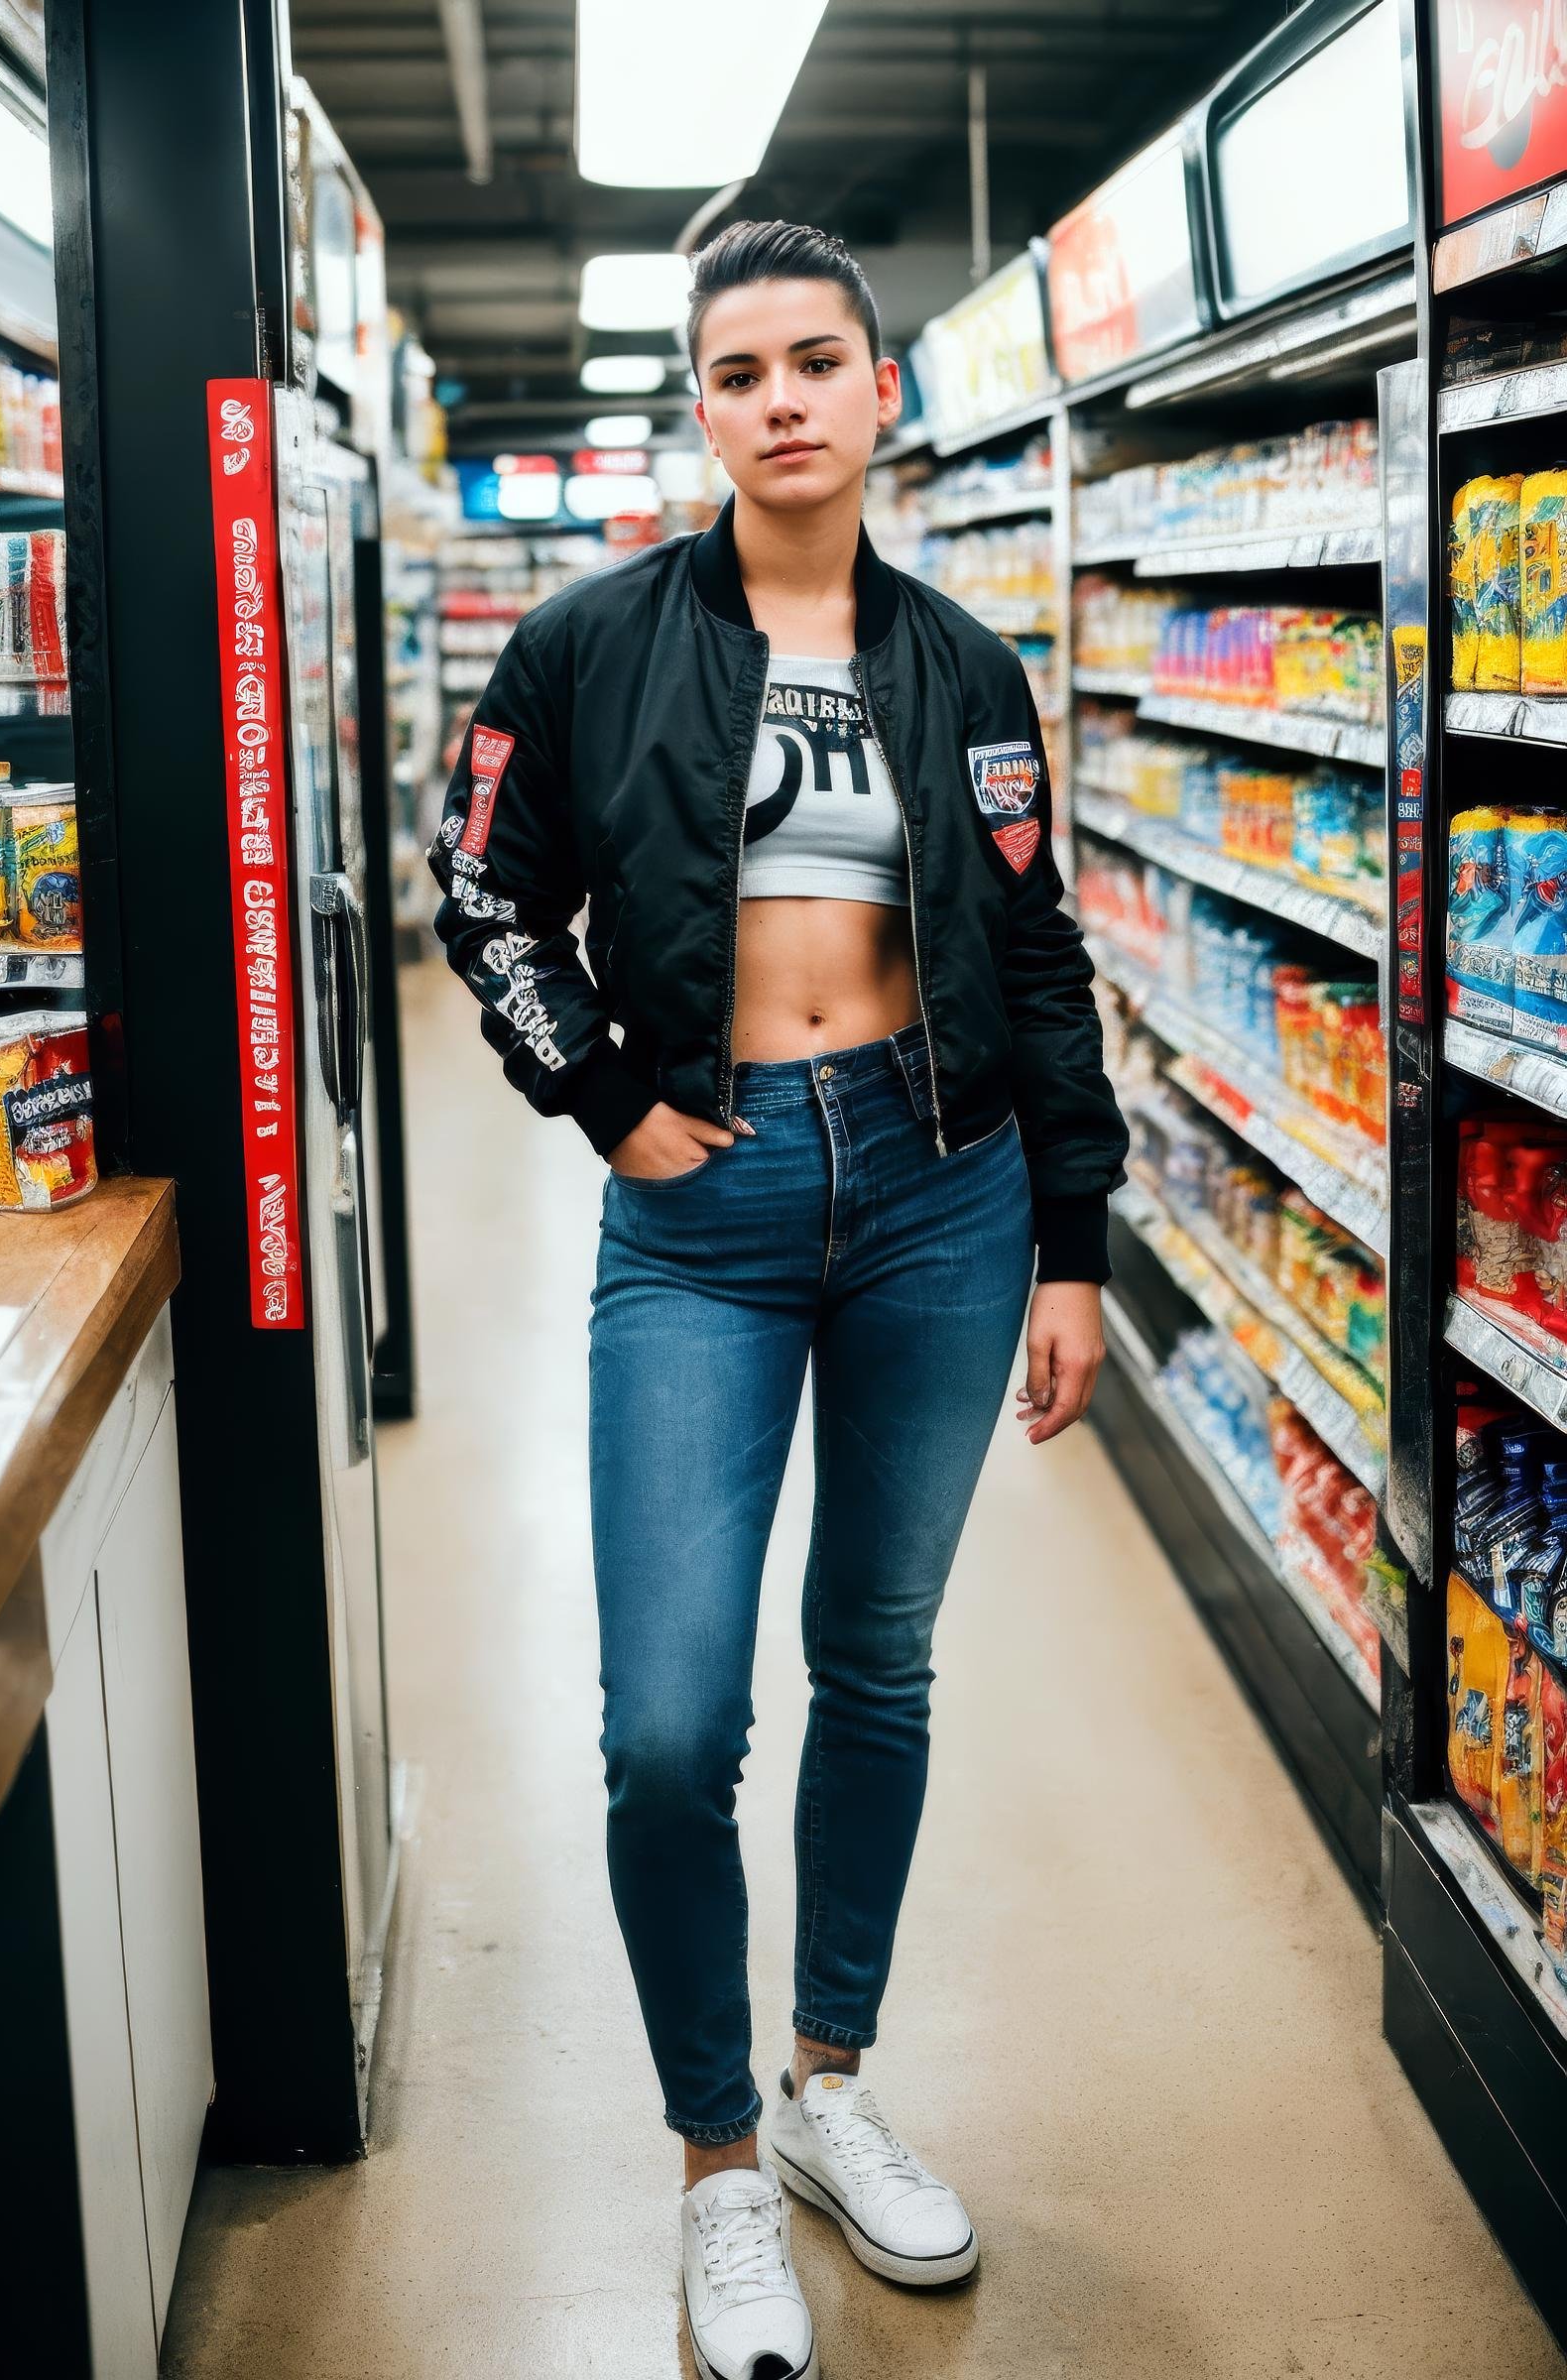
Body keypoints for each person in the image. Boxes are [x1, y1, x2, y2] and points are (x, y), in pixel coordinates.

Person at [429, 219, 1128, 2380]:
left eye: (819, 360)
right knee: (663, 1729)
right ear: (701, 410)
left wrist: (1074, 1241)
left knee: (878, 1665)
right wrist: (606, 1100)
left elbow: (1029, 965)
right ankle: (713, 2167)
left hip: (938, 1194)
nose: (784, 400)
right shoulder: (583, 644)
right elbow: (479, 888)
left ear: (879, 391)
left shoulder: (963, 671)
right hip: (705, 1209)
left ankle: (827, 2086)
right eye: (739, 374)